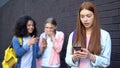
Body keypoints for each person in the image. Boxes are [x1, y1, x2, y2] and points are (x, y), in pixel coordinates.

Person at [65, 1, 111, 68]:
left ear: (94, 16)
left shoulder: (105, 35)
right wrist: (74, 58)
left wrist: (90, 56)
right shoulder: (73, 35)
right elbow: (67, 59)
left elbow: (106, 62)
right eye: (82, 16)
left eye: (88, 16)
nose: (85, 19)